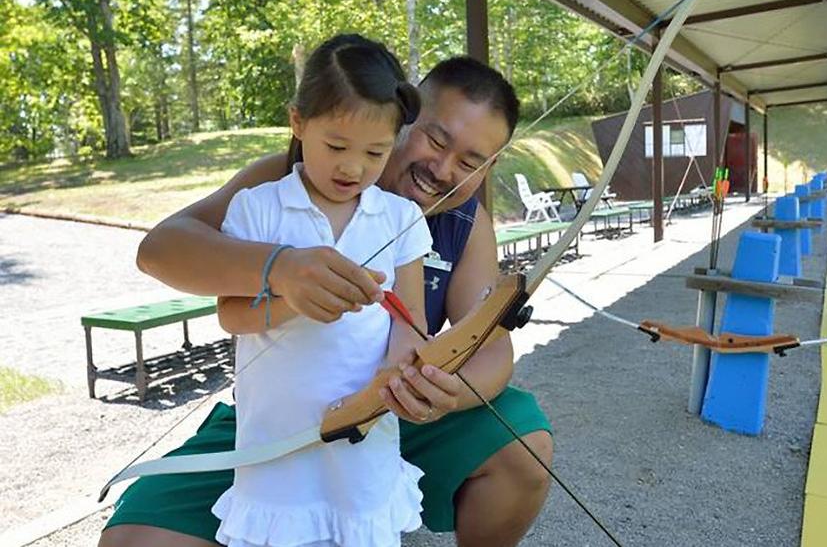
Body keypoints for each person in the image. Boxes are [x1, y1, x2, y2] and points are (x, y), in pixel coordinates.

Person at [99, 55, 553, 547]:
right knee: (134, 542)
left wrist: (439, 394)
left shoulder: (466, 220)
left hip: (388, 410)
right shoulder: (293, 176)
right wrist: (279, 268)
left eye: (469, 162)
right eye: (435, 140)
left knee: (523, 447)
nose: (442, 170)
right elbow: (160, 249)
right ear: (404, 116)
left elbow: (488, 345)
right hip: (278, 420)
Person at [213, 33, 433, 547]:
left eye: (376, 152)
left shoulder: (400, 218)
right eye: (335, 146)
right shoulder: (258, 208)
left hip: (363, 438)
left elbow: (410, 320)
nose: (352, 167)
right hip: (277, 447)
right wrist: (293, 301)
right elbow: (230, 315)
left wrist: (394, 377)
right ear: (297, 122)